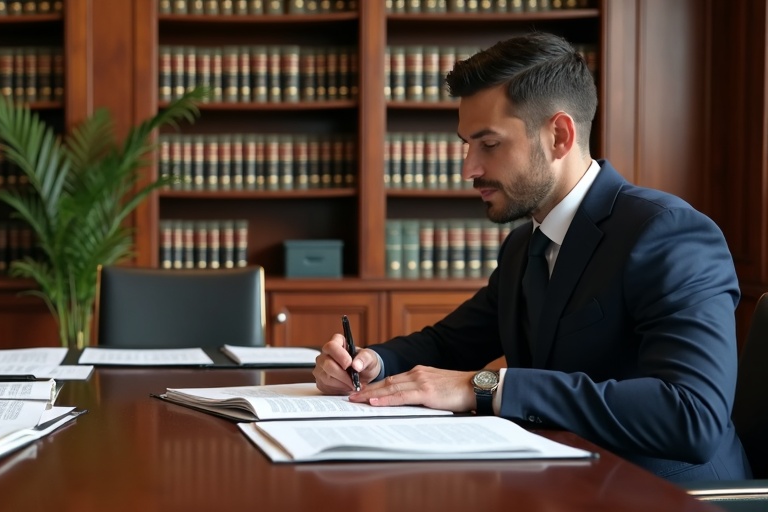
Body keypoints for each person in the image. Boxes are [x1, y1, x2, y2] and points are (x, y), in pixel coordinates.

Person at [314, 32, 750, 482]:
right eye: (467, 144)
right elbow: (449, 343)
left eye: (489, 144)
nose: (468, 169)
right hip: (562, 480)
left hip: (666, 493)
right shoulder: (524, 245)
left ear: (559, 136)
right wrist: (369, 362)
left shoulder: (668, 234)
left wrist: (485, 386)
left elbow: (692, 415)